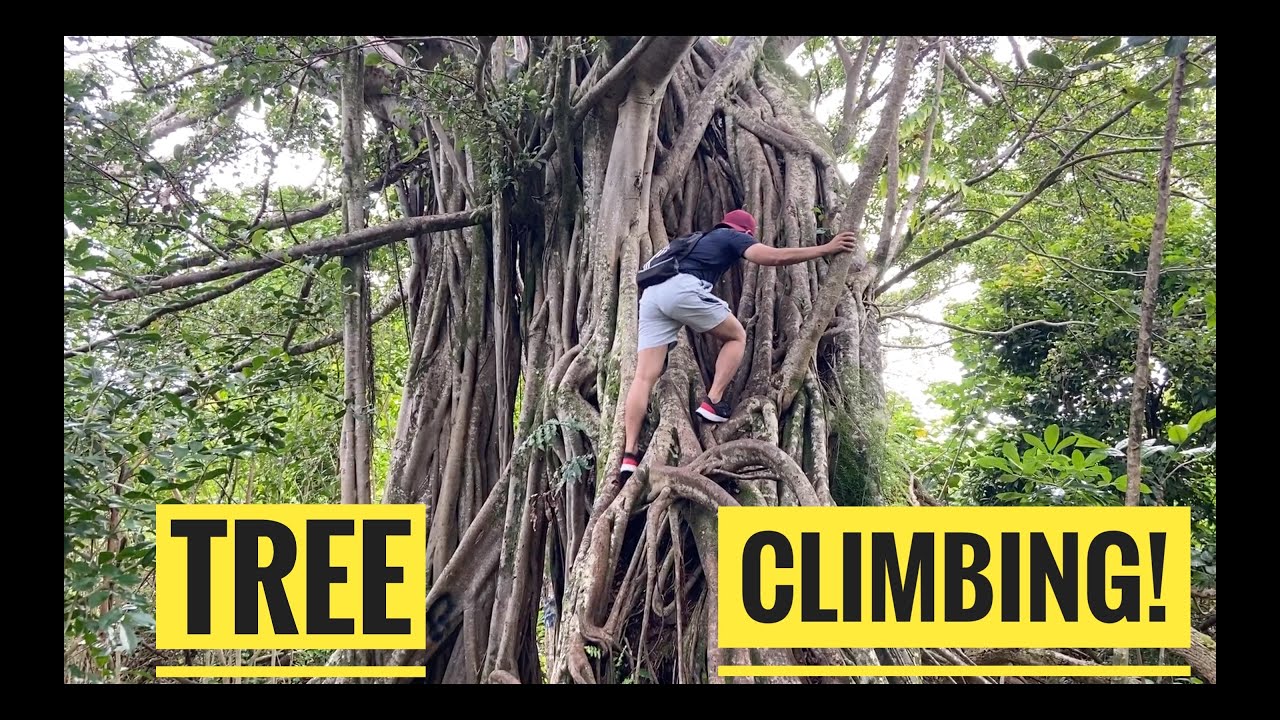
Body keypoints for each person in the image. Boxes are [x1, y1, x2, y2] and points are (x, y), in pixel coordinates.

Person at [618, 209, 858, 480]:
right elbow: (772, 257)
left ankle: (629, 454)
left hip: (651, 297)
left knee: (643, 377)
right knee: (736, 336)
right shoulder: (733, 236)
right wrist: (826, 248)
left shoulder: (695, 241)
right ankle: (713, 401)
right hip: (682, 289)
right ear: (745, 232)